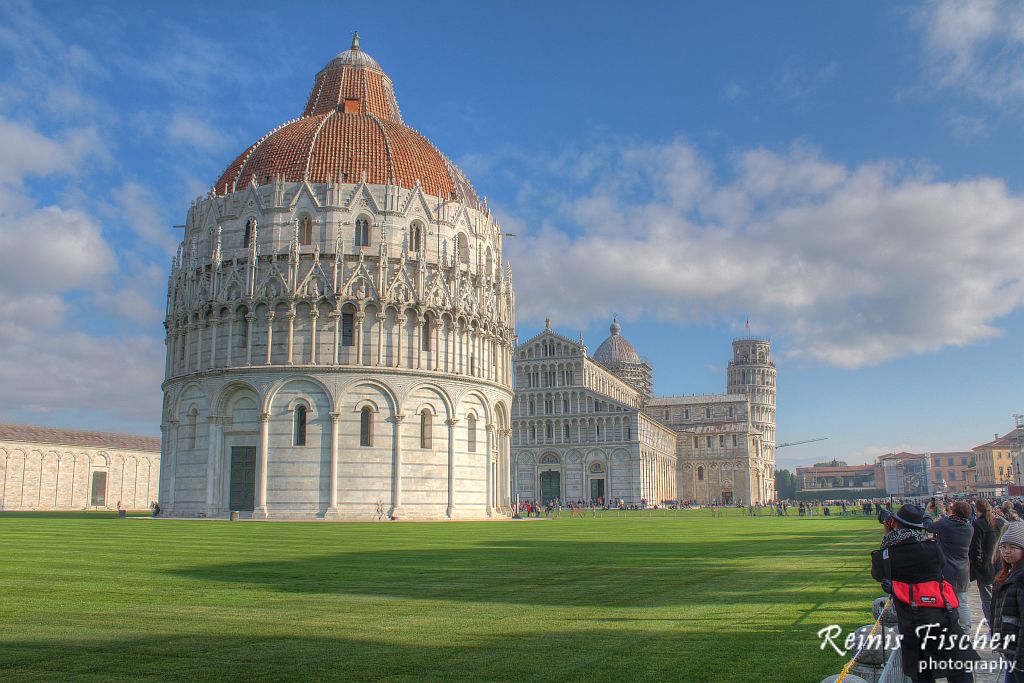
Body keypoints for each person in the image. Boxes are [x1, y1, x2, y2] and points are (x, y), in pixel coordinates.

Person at [871, 504, 978, 682]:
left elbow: (878, 574)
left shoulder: (887, 554)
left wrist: (887, 537)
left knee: (922, 674)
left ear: (895, 524)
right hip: (941, 614)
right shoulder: (932, 548)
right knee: (958, 668)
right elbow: (940, 565)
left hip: (911, 621)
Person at [925, 499, 975, 633]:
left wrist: (928, 512)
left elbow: (928, 526)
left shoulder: (946, 524)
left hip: (947, 568)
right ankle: (965, 629)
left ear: (954, 512)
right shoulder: (969, 527)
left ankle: (947, 627)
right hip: (963, 568)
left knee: (944, 599)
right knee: (962, 601)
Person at [991, 522, 1024, 682]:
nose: (1007, 551)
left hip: (1018, 651)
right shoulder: (1010, 573)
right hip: (1010, 647)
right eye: (1003, 547)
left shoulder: (1020, 577)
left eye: (1012, 547)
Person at [970, 499, 1000, 629]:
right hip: (998, 565)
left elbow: (975, 549)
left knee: (987, 600)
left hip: (985, 567)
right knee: (998, 598)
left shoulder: (978, 524)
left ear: (977, 509)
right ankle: (999, 626)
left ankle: (993, 628)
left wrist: (978, 567)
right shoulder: (997, 523)